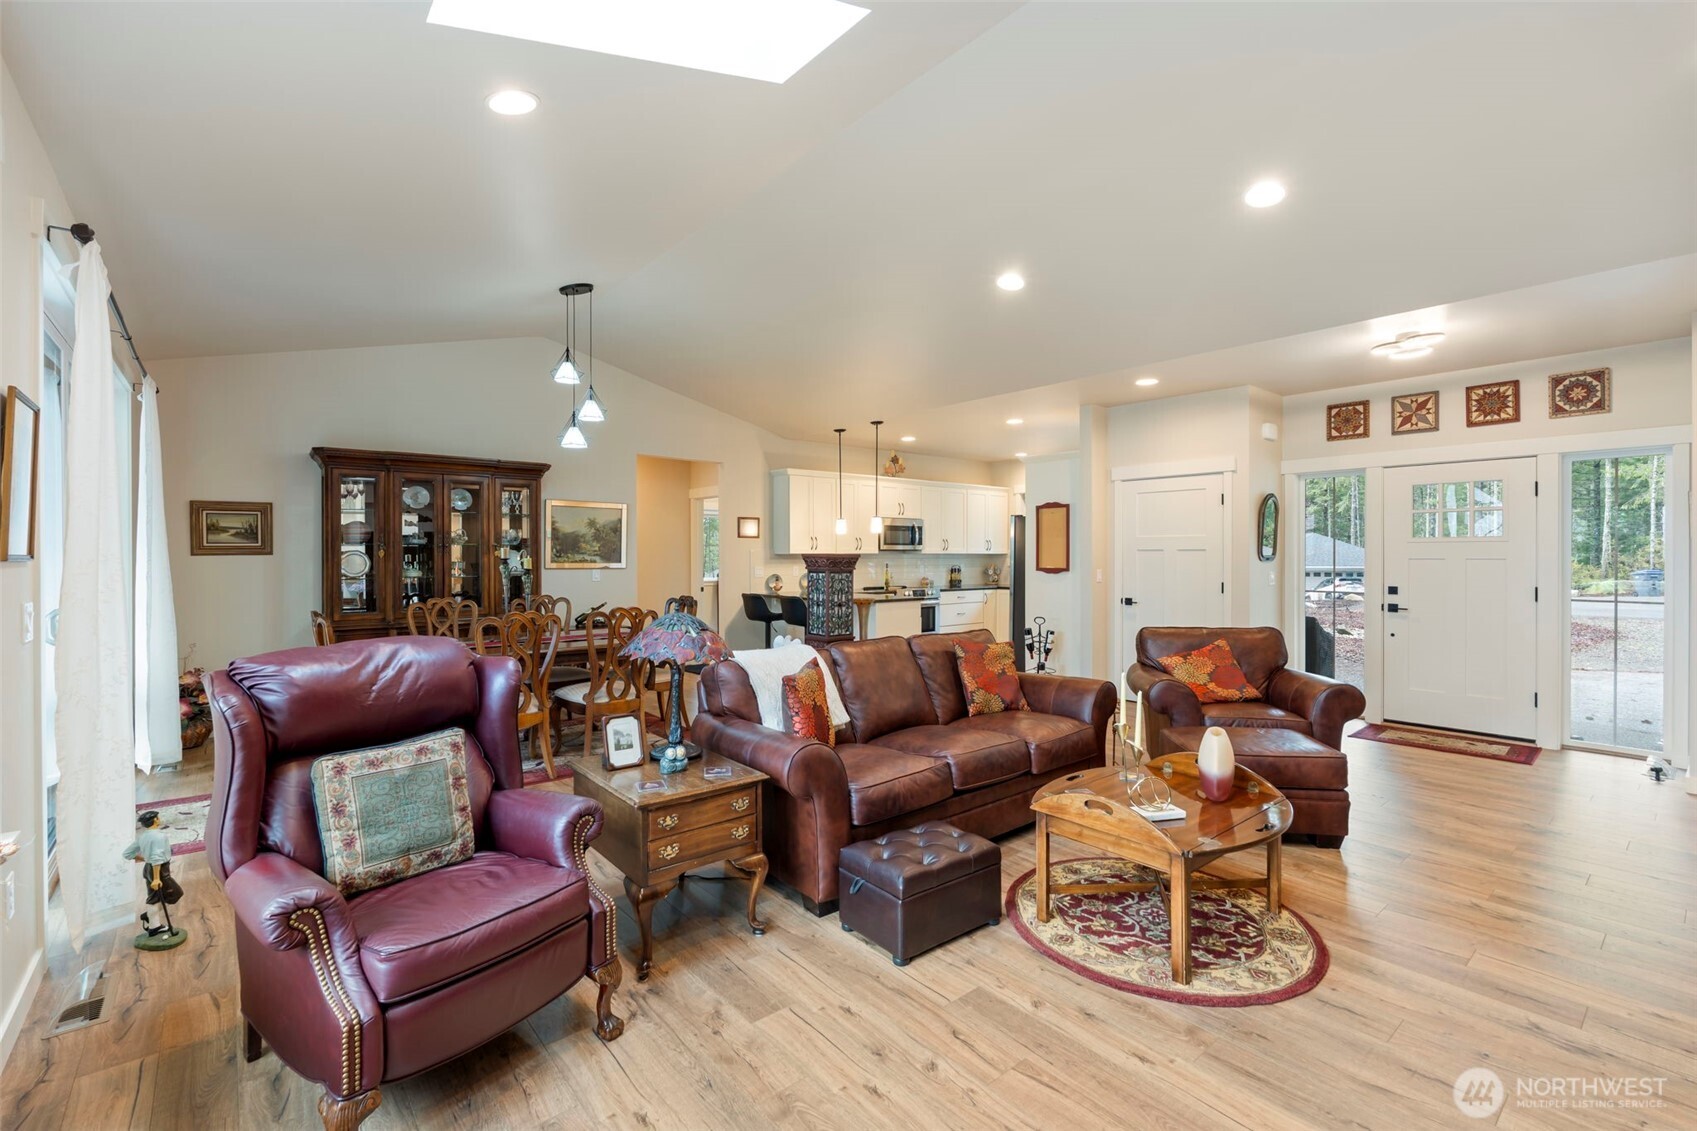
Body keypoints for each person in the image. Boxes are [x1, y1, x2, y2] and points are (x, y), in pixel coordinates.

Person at [121, 810, 183, 939]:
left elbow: (127, 854)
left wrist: (145, 859)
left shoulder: (142, 837)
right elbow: (156, 857)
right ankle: (150, 917)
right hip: (159, 870)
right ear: (155, 820)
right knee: (176, 893)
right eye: (158, 817)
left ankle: (154, 926)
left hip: (149, 868)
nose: (159, 818)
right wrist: (156, 878)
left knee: (154, 898)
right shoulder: (159, 836)